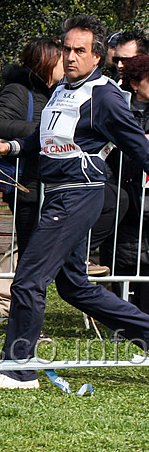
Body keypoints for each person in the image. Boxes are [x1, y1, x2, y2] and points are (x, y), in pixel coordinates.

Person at [0, 15, 149, 390]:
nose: (70, 57)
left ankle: (18, 370)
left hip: (79, 195)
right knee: (74, 288)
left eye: (79, 51)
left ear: (97, 57)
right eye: (66, 49)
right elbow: (42, 140)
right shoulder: (61, 89)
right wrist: (10, 146)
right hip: (55, 194)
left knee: (28, 280)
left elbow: (139, 146)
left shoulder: (104, 96)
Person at [0, 38, 64, 323]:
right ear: (47, 62)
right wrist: (45, 131)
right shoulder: (19, 91)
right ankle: (25, 321)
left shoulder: (64, 92)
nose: (68, 63)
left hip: (54, 185)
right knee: (30, 256)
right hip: (27, 187)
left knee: (38, 255)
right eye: (63, 57)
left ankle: (24, 316)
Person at [101, 54, 149, 314]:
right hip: (122, 192)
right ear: (134, 83)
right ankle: (124, 317)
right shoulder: (116, 108)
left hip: (146, 196)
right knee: (123, 255)